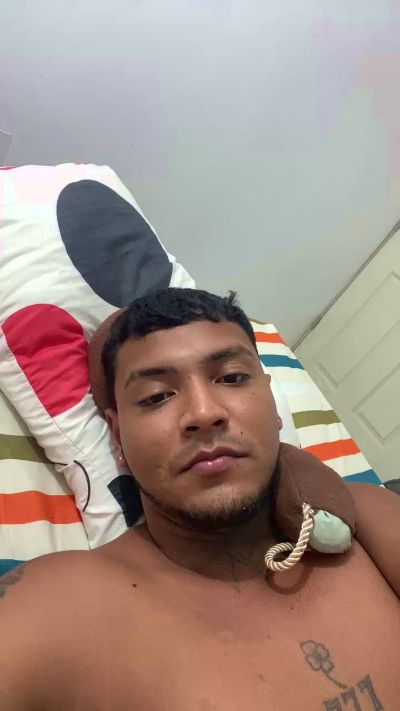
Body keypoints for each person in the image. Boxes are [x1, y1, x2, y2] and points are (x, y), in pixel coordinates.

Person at [1, 288, 399, 711]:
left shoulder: (366, 517)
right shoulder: (57, 608)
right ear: (117, 437)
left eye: (231, 377)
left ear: (273, 404)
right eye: (157, 396)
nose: (204, 413)